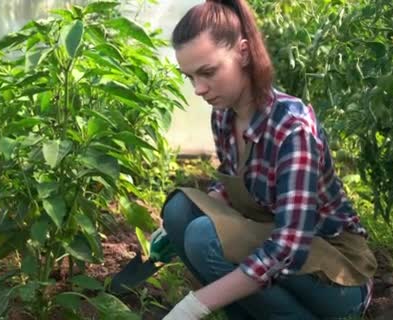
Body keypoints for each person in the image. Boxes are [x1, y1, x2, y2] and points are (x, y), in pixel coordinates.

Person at [158, 1, 377, 319]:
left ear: (243, 53)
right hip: (272, 239)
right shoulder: (224, 117)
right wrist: (173, 228)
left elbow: (289, 247)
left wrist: (194, 305)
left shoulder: (292, 129)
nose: (199, 89)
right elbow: (237, 190)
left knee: (204, 237)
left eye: (208, 72)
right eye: (190, 77)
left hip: (335, 275)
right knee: (181, 212)